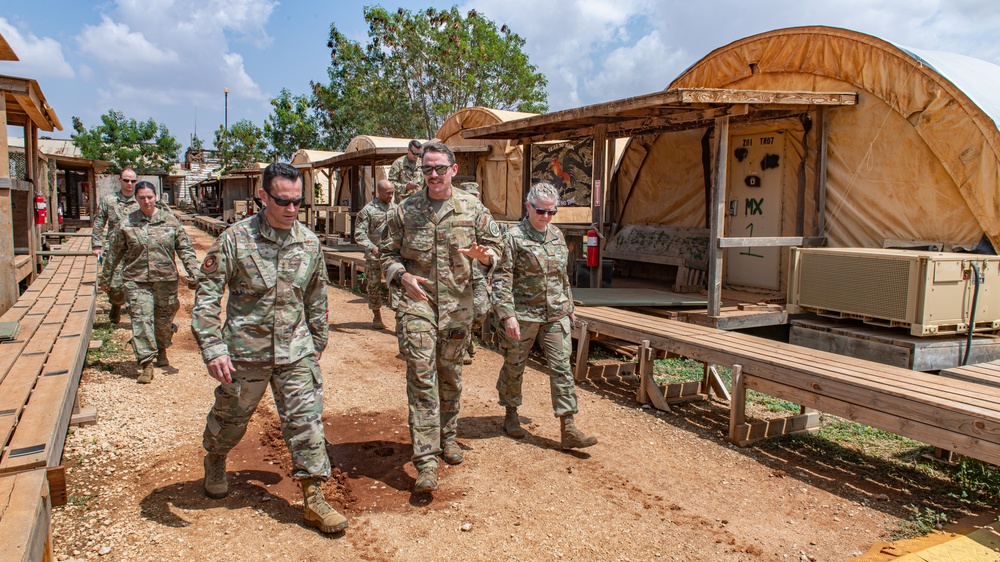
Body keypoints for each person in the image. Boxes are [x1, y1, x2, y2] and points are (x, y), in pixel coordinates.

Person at [191, 162, 348, 534]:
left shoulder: (308, 242)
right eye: (283, 201)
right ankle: (215, 457)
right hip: (246, 353)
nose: (291, 209)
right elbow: (207, 294)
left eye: (298, 202)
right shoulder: (235, 239)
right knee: (231, 419)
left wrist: (317, 341)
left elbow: (316, 294)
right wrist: (213, 346)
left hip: (296, 353)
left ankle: (313, 498)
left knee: (306, 422)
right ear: (263, 196)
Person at [381, 141, 502, 493]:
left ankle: (447, 435)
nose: (433, 175)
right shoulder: (406, 210)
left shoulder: (472, 208)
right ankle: (427, 460)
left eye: (439, 168)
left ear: (453, 169)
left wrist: (486, 257)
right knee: (422, 377)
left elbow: (498, 249)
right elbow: (385, 253)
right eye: (427, 169)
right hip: (417, 306)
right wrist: (401, 275)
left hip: (457, 310)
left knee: (450, 376)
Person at [492, 182, 597, 450]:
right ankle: (511, 413)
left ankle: (568, 427)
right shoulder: (513, 237)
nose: (546, 216)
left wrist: (569, 306)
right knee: (515, 365)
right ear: (528, 206)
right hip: (523, 315)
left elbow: (561, 276)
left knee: (562, 367)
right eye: (541, 211)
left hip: (555, 314)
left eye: (552, 212)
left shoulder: (557, 235)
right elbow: (502, 279)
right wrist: (507, 316)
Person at [99, 181, 200, 383]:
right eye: (142, 197)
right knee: (141, 320)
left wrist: (194, 272)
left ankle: (162, 348)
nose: (146, 201)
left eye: (150, 197)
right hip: (136, 281)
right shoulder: (127, 223)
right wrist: (106, 278)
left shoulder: (171, 221)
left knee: (163, 322)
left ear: (156, 197)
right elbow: (114, 253)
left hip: (166, 280)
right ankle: (146, 362)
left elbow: (185, 249)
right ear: (136, 199)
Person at [92, 168, 140, 324]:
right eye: (126, 180)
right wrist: (96, 245)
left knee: (138, 286)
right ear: (120, 180)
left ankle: (138, 319)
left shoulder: (141, 200)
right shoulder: (109, 200)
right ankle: (116, 304)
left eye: (133, 180)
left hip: (136, 251)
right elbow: (99, 222)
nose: (129, 183)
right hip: (115, 251)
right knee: (115, 286)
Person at [355, 179, 396, 330]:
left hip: (392, 256)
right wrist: (372, 247)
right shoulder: (368, 210)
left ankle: (398, 317)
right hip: (375, 257)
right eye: (388, 193)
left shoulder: (396, 208)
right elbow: (359, 234)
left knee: (396, 286)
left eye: (392, 192)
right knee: (374, 286)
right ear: (379, 192)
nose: (391, 196)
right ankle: (377, 315)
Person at [458, 182, 491, 365]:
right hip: (459, 272)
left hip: (478, 272)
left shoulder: (484, 216)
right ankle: (462, 345)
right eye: (469, 195)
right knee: (461, 310)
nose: (473, 198)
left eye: (475, 195)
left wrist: (490, 266)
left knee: (481, 309)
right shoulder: (453, 218)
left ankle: (469, 337)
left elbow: (494, 244)